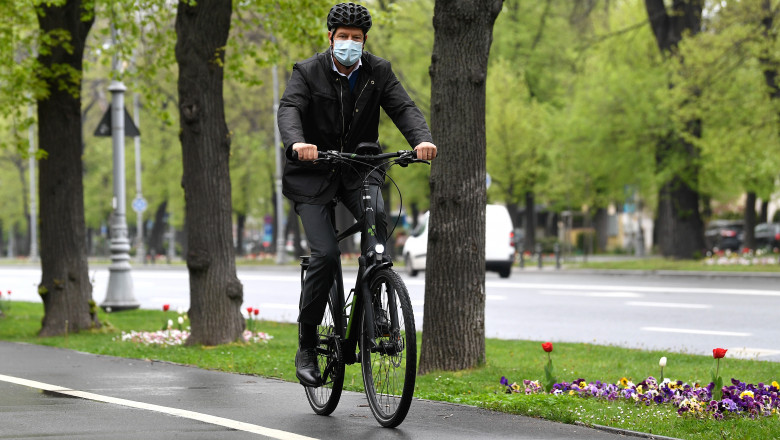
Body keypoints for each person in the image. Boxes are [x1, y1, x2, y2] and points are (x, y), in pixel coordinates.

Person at [277, 2, 437, 387]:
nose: (350, 43)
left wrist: (422, 140)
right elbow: (290, 109)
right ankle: (306, 345)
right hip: (312, 175)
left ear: (365, 42)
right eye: (343, 37)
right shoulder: (307, 71)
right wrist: (298, 142)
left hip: (358, 169)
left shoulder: (377, 71)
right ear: (330, 37)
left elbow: (404, 107)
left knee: (378, 219)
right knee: (327, 255)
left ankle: (377, 297)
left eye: (357, 38)